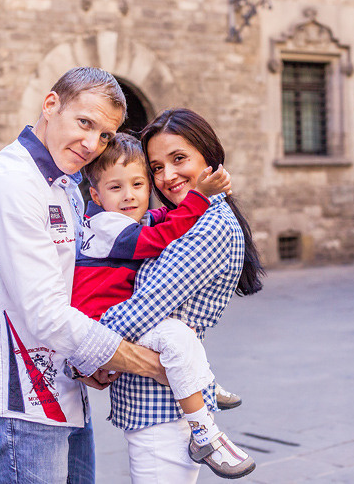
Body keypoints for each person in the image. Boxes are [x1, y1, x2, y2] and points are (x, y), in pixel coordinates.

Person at [0, 67, 168, 484]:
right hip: (20, 405)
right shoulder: (12, 183)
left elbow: (72, 289)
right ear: (51, 105)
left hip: (64, 391)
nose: (92, 144)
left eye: (105, 135)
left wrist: (88, 361)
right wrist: (150, 364)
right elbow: (45, 313)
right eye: (85, 123)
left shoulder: (64, 184)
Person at [70, 133, 255, 479]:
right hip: (112, 336)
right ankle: (205, 416)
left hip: (160, 405)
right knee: (176, 336)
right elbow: (156, 236)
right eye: (158, 167)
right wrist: (199, 196)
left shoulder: (200, 224)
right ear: (95, 195)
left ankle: (204, 408)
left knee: (177, 336)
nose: (130, 195)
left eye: (139, 182)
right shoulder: (112, 226)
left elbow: (154, 230)